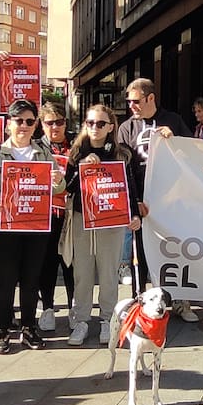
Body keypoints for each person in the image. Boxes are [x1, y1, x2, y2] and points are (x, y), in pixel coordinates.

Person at [0, 98, 65, 354]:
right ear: (9, 124)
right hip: (4, 226)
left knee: (31, 279)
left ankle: (28, 327)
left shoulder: (43, 153)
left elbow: (58, 188)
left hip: (35, 226)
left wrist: (58, 180)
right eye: (18, 120)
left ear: (35, 125)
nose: (23, 126)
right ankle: (3, 329)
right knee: (6, 279)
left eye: (29, 121)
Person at [116, 78, 196, 321]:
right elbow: (124, 167)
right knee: (139, 253)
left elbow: (192, 154)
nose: (131, 106)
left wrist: (175, 142)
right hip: (141, 202)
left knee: (175, 251)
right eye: (129, 101)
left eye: (136, 101)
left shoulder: (173, 120)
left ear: (150, 98)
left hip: (171, 201)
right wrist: (134, 201)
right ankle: (140, 303)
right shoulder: (126, 128)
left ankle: (180, 300)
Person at [62, 104, 141, 345]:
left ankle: (108, 319)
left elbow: (130, 186)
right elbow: (68, 186)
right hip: (82, 218)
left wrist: (134, 214)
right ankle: (81, 319)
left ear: (110, 127)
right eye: (90, 123)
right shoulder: (77, 151)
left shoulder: (122, 153)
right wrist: (83, 167)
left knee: (108, 272)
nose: (94, 127)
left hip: (112, 219)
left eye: (100, 123)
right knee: (82, 272)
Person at [37, 100, 72, 332]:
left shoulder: (77, 145)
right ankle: (48, 308)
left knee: (71, 264)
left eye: (59, 122)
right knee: (46, 263)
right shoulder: (35, 147)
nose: (55, 127)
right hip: (46, 214)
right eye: (50, 123)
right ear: (42, 124)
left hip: (70, 214)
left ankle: (74, 309)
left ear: (65, 123)